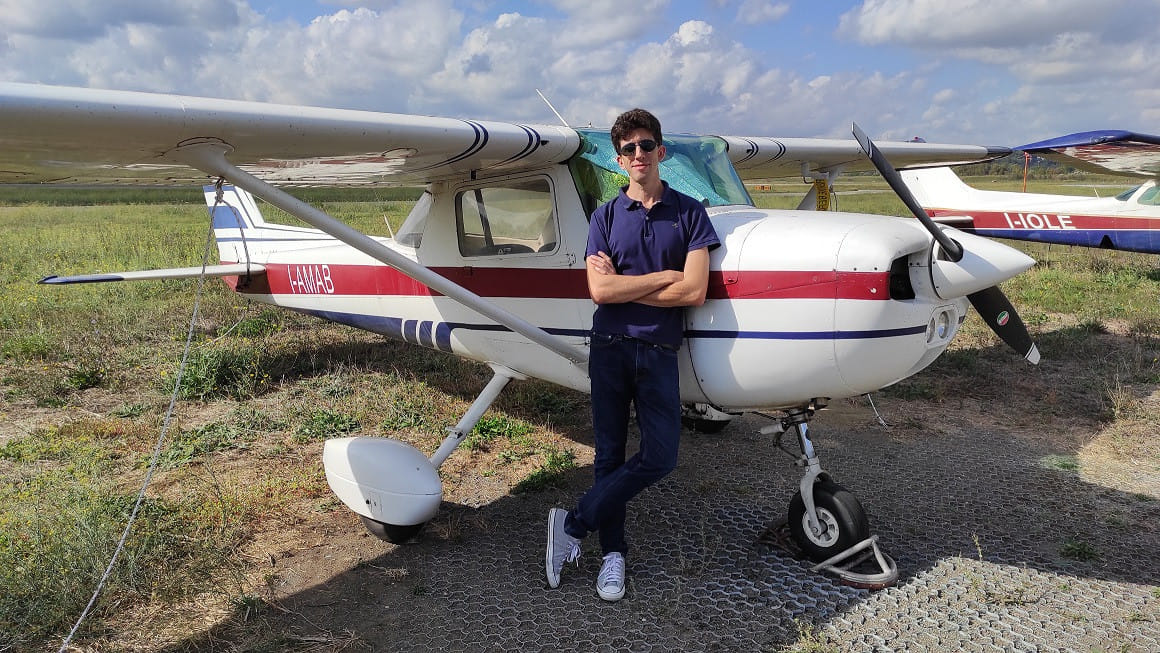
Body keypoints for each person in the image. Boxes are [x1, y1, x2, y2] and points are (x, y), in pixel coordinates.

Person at [545, 108, 720, 601]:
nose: (638, 155)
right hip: (610, 348)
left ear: (661, 152)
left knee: (661, 457)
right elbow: (600, 292)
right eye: (628, 150)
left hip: (659, 349)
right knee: (608, 454)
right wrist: (663, 276)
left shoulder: (690, 212)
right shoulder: (604, 216)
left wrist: (627, 286)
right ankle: (613, 555)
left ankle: (573, 524)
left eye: (646, 146)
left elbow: (693, 293)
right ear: (620, 161)